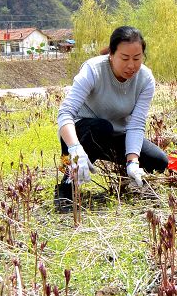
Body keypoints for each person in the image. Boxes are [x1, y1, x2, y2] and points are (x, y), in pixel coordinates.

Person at [56, 26, 168, 210]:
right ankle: (66, 189)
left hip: (115, 134)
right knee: (102, 127)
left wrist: (132, 162)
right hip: (79, 135)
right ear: (111, 55)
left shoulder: (145, 79)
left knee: (159, 162)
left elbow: (136, 124)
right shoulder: (93, 69)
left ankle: (129, 182)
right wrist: (75, 149)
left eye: (137, 58)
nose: (131, 65)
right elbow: (65, 113)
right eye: (124, 58)